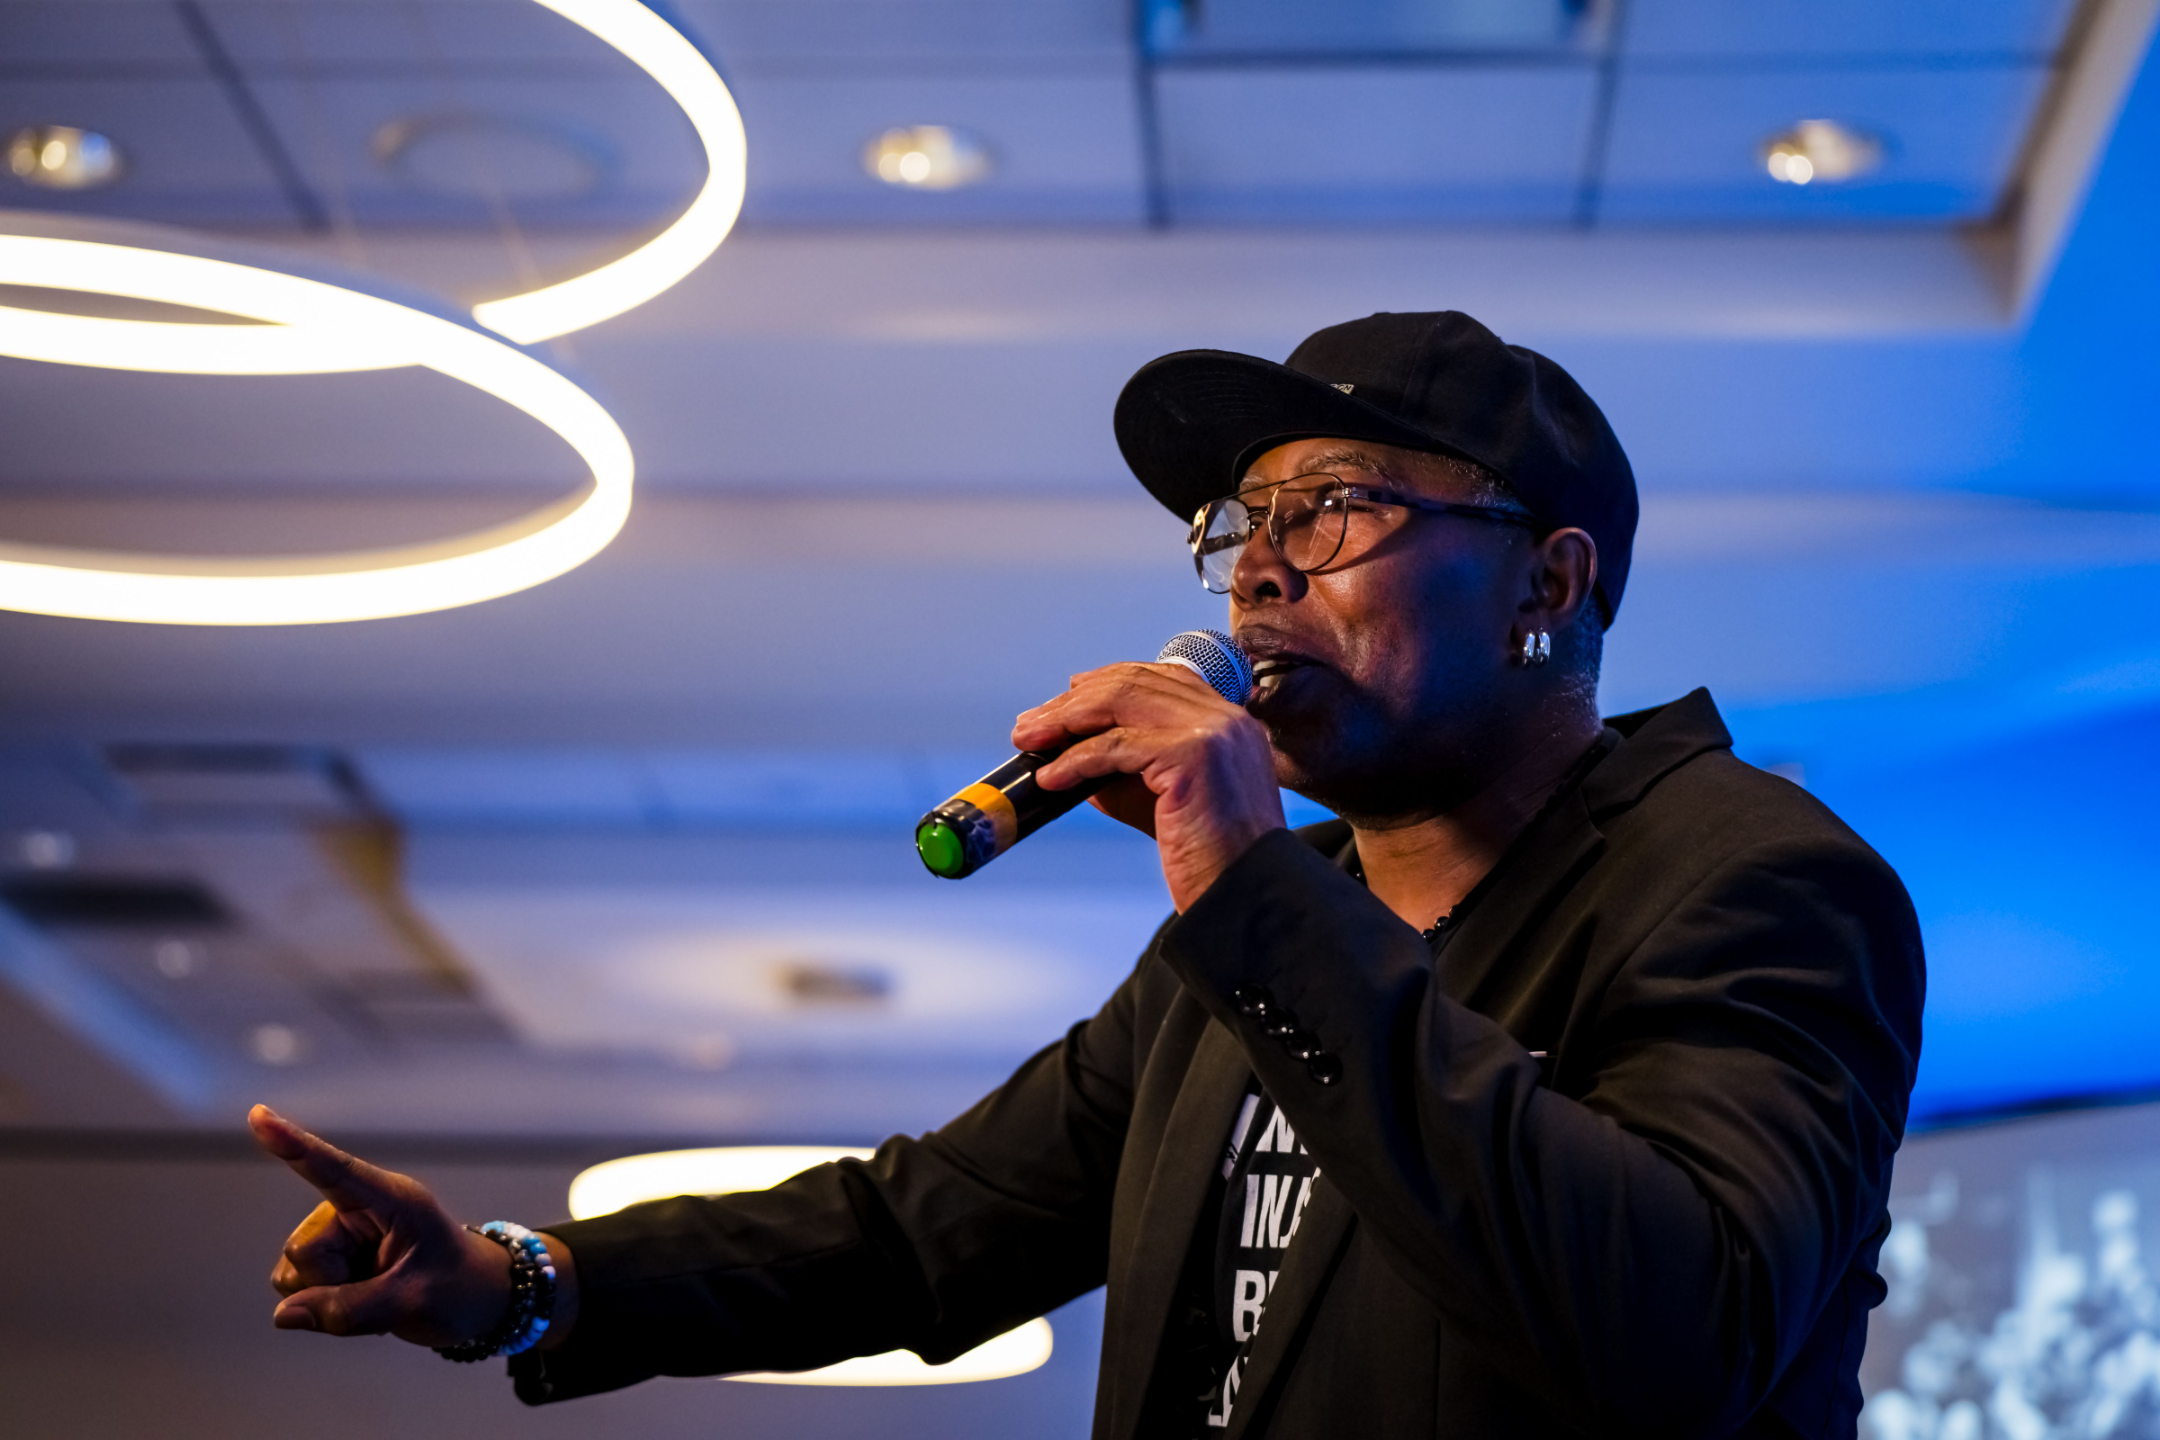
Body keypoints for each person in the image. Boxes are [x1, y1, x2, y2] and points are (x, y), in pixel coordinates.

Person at [252, 311, 1924, 1439]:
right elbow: (924, 1236)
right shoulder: (1270, 924)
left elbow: (1684, 1335)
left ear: (1546, 583)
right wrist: (520, 1280)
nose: (1260, 569)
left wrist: (1261, 897)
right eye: (1238, 525)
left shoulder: (1746, 876)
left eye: (1333, 509)